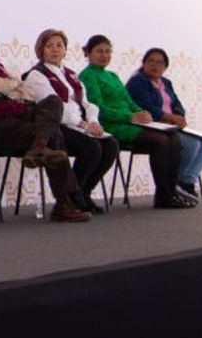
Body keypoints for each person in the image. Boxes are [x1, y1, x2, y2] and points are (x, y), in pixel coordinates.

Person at [0, 23, 90, 222]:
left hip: (13, 123)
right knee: (54, 135)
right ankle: (66, 201)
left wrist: (9, 87)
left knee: (53, 102)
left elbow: (27, 92)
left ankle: (38, 149)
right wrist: (10, 86)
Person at [78, 36, 195, 209]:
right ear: (88, 53)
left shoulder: (112, 75)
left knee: (173, 137)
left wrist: (141, 113)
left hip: (129, 122)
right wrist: (130, 117)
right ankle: (163, 196)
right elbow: (98, 109)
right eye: (99, 51)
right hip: (110, 125)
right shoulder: (87, 76)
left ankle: (171, 193)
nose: (104, 55)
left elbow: (129, 101)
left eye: (108, 51)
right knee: (160, 141)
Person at [23, 29, 118, 215]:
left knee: (111, 145)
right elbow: (55, 107)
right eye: (49, 46)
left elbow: (86, 103)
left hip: (79, 124)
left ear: (65, 50)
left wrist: (93, 121)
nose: (55, 49)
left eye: (59, 45)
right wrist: (84, 125)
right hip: (56, 127)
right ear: (41, 50)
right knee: (92, 147)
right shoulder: (36, 75)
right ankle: (72, 197)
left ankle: (84, 193)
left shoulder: (71, 74)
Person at [125, 47, 202, 198]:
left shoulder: (166, 82)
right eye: (151, 61)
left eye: (160, 62)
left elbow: (177, 104)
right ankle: (172, 184)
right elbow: (145, 107)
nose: (155, 65)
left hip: (170, 126)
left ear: (165, 67)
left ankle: (186, 183)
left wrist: (178, 116)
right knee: (192, 144)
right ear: (143, 63)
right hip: (151, 126)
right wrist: (170, 118)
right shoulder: (137, 82)